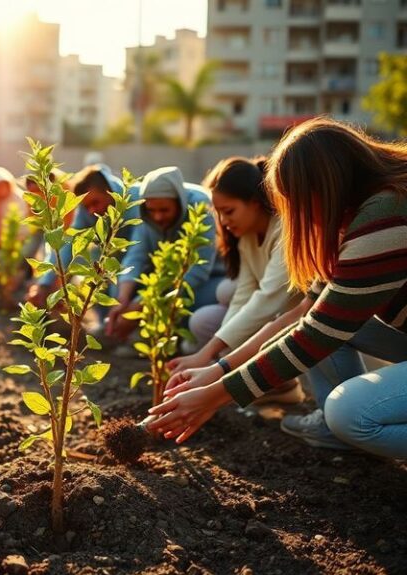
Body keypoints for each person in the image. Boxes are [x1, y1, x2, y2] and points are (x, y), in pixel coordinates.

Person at [148, 118, 407, 459]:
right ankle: (333, 431)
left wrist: (214, 396)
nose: (296, 218)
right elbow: (302, 316)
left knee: (350, 413)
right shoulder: (353, 219)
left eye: (294, 204)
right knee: (326, 328)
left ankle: (339, 425)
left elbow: (317, 335)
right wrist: (217, 371)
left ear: (323, 187)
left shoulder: (384, 216)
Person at [167, 157, 303, 397]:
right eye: (218, 213)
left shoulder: (284, 230)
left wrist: (210, 357)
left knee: (242, 309)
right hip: (275, 314)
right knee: (209, 316)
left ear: (254, 202)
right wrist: (218, 356)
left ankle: (284, 387)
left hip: (298, 317)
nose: (223, 222)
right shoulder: (247, 238)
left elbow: (266, 301)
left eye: (228, 211)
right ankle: (275, 388)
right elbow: (243, 297)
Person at [103, 166, 225, 349]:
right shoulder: (148, 217)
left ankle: (172, 343)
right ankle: (141, 341)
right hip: (164, 281)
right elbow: (135, 257)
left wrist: (141, 305)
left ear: (180, 202)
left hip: (209, 279)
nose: (157, 217)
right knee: (120, 289)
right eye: (152, 210)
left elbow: (198, 271)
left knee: (184, 302)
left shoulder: (200, 207)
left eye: (164, 210)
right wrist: (123, 299)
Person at [24, 164, 141, 311]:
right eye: (87, 206)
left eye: (95, 202)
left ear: (109, 192)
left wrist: (123, 293)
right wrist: (44, 283)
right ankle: (105, 326)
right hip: (108, 251)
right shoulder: (86, 211)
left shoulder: (134, 201)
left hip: (136, 253)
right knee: (96, 279)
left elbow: (138, 253)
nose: (92, 210)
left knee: (119, 290)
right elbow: (68, 242)